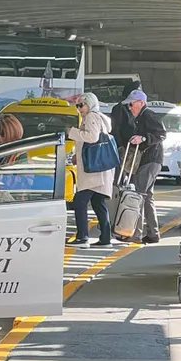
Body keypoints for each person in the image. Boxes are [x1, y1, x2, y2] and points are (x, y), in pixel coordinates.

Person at [66, 93, 115, 248]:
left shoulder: (91, 117)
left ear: (90, 104)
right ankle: (106, 238)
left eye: (82, 105)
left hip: (92, 171)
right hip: (101, 169)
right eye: (77, 105)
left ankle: (82, 237)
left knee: (79, 201)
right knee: (98, 202)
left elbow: (92, 138)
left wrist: (71, 132)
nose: (79, 108)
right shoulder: (100, 117)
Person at [122, 89, 167, 244]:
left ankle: (136, 234)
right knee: (147, 197)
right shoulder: (142, 116)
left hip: (150, 160)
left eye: (131, 104)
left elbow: (161, 133)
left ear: (141, 103)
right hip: (152, 160)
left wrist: (142, 138)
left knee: (138, 196)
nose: (129, 107)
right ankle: (153, 234)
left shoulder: (148, 115)